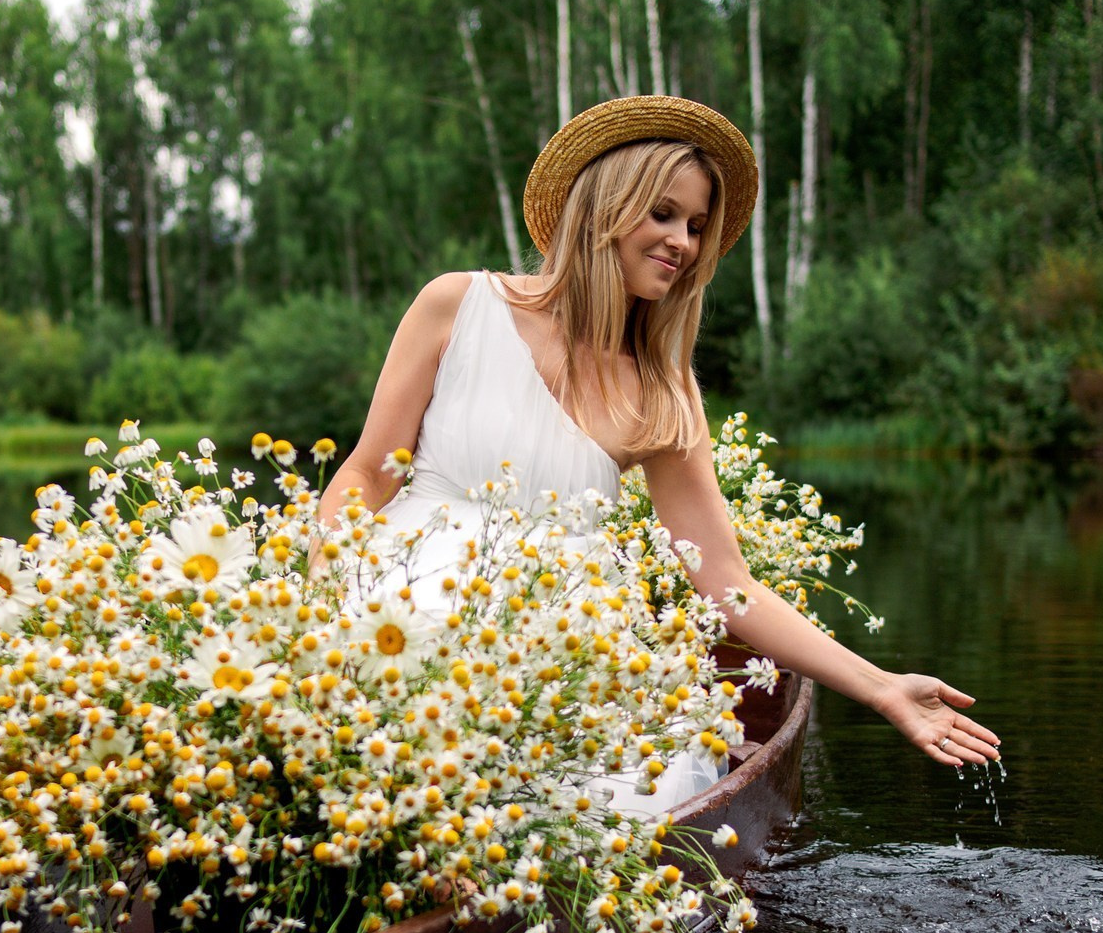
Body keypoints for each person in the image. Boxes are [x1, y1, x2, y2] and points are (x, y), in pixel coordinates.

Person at [318, 95, 1000, 782]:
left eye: (698, 226)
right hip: (399, 594)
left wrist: (880, 685)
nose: (685, 241)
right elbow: (368, 475)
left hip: (556, 648)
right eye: (664, 213)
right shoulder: (458, 305)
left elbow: (726, 580)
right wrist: (318, 584)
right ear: (606, 209)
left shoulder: (662, 393)